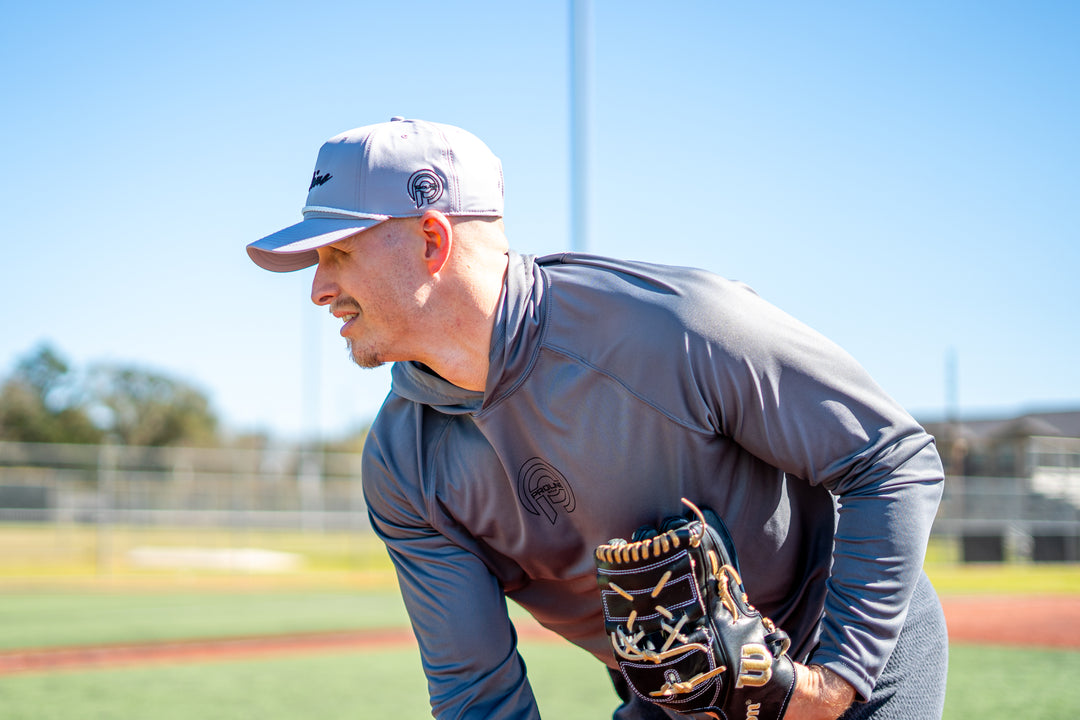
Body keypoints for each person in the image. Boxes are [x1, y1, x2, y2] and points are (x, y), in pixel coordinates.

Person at [246, 117, 948, 720]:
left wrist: (832, 684)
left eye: (337, 253)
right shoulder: (402, 463)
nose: (319, 289)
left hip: (845, 656)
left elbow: (890, 459)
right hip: (679, 698)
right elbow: (476, 697)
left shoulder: (674, 325)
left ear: (432, 239)